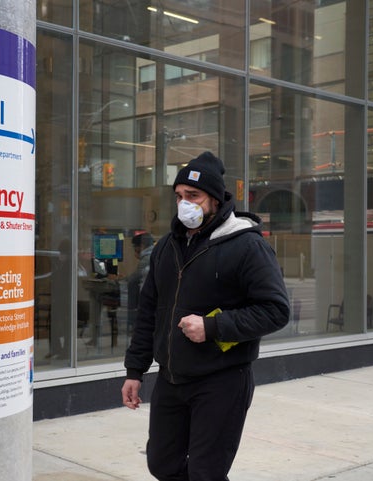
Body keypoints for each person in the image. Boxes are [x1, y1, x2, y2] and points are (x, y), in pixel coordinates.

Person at [121, 151, 290, 481]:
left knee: (206, 472)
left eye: (193, 196)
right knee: (162, 464)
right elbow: (148, 313)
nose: (185, 204)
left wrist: (213, 326)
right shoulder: (166, 248)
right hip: (172, 378)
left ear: (215, 198)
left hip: (222, 380)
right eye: (180, 196)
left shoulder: (246, 245)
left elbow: (275, 310)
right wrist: (135, 370)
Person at [126, 232, 154, 336]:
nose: (134, 250)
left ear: (141, 246)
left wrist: (121, 280)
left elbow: (134, 279)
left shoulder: (147, 258)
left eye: (135, 247)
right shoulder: (155, 253)